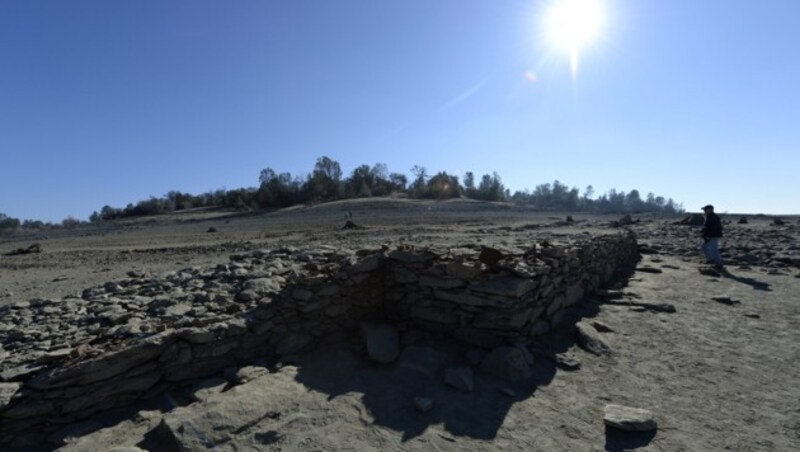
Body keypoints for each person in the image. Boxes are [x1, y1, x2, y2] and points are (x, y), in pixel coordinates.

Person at [700, 204, 723, 268]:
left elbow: (712, 228)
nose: (704, 211)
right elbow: (707, 227)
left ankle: (718, 264)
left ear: (710, 210)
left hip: (713, 235)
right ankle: (710, 260)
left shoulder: (712, 217)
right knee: (704, 247)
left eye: (705, 209)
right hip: (711, 235)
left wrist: (707, 235)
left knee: (713, 250)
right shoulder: (710, 216)